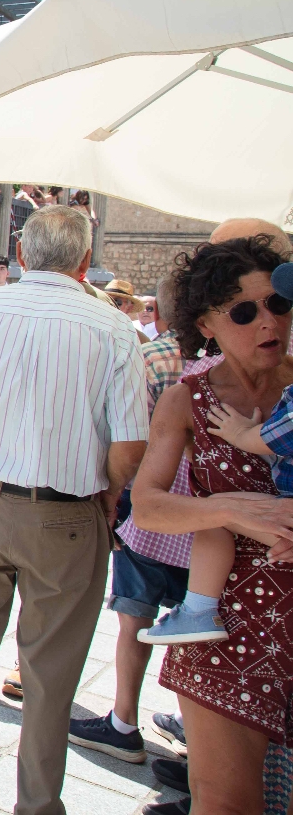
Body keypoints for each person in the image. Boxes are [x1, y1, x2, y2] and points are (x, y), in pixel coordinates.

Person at [0, 206, 148, 815]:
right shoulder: (114, 328)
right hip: (67, 515)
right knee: (50, 676)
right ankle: (39, 805)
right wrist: (109, 497)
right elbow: (129, 444)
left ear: (21, 255)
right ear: (84, 262)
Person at [127, 238, 293, 815]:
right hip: (223, 624)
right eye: (243, 312)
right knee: (225, 803)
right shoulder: (186, 400)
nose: (268, 322)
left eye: (278, 304)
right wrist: (230, 510)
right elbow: (147, 505)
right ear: (206, 325)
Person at [64, 276, 192, 763]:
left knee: (135, 615)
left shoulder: (150, 358)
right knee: (198, 620)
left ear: (160, 312)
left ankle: (123, 721)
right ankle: (196, 727)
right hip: (210, 519)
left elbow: (127, 437)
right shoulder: (235, 364)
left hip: (151, 508)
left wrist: (111, 496)